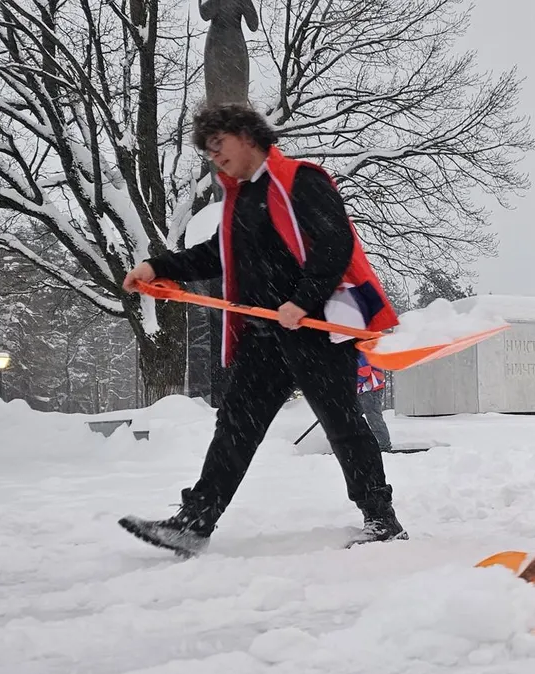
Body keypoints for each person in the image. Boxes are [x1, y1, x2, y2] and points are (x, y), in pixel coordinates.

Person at [118, 103, 407, 556]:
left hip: (314, 330)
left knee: (343, 424)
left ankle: (381, 518)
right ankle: (195, 522)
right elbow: (218, 254)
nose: (215, 156)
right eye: (208, 150)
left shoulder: (301, 181)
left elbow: (335, 244)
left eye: (219, 144)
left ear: (247, 136)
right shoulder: (242, 199)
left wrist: (302, 300)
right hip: (264, 335)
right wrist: (157, 266)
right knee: (236, 425)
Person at [356, 351, 393, 452]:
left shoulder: (359, 350)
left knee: (374, 418)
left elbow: (363, 371)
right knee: (352, 416)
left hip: (371, 388)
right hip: (363, 388)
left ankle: (384, 447)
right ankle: (358, 443)